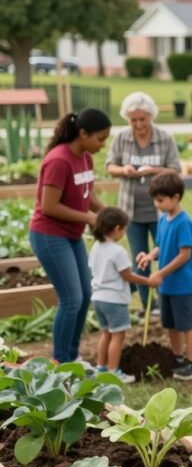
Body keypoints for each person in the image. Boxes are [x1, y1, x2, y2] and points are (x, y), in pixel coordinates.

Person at [29, 108, 112, 364]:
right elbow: (49, 206)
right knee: (71, 299)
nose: (102, 145)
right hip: (49, 236)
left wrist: (107, 212)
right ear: (83, 133)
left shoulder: (85, 157)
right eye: (100, 139)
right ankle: (61, 362)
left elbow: (87, 196)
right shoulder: (59, 160)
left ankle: (72, 357)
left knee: (85, 295)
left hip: (71, 235)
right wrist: (89, 218)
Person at [106, 92, 182, 309]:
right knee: (140, 260)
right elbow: (110, 166)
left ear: (151, 116)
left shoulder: (165, 138)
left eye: (143, 119)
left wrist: (155, 170)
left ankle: (165, 301)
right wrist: (124, 169)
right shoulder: (122, 138)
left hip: (161, 212)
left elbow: (176, 170)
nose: (138, 124)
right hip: (131, 211)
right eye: (133, 120)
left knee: (165, 255)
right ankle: (148, 305)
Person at [136, 173, 192, 381]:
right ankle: (178, 357)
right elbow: (160, 246)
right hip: (166, 285)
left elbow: (185, 255)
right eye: (155, 199)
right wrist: (149, 256)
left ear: (176, 197)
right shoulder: (164, 220)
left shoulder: (184, 223)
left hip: (181, 285)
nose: (157, 204)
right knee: (171, 324)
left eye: (161, 200)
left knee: (186, 324)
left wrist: (160, 273)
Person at [88, 206, 153, 383]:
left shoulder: (96, 247)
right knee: (118, 336)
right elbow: (127, 276)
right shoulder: (118, 251)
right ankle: (113, 371)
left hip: (98, 298)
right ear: (117, 228)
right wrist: (147, 281)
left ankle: (101, 368)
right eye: (124, 228)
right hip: (114, 300)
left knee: (105, 333)